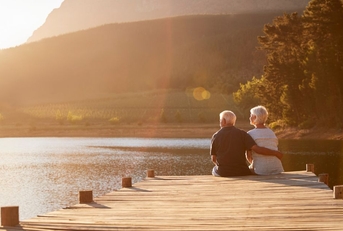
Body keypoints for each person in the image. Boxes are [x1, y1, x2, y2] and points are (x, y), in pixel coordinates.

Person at [210, 110, 283, 177]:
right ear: (233, 122)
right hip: (242, 171)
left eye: (220, 120)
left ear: (223, 121)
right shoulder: (243, 134)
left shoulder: (216, 136)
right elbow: (256, 149)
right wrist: (275, 153)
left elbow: (214, 159)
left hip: (223, 172)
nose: (220, 122)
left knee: (214, 170)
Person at [246, 105, 284, 175]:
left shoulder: (250, 134)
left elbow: (249, 155)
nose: (249, 117)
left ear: (255, 117)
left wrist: (255, 165)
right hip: (277, 168)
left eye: (251, 115)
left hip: (260, 170)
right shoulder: (271, 133)